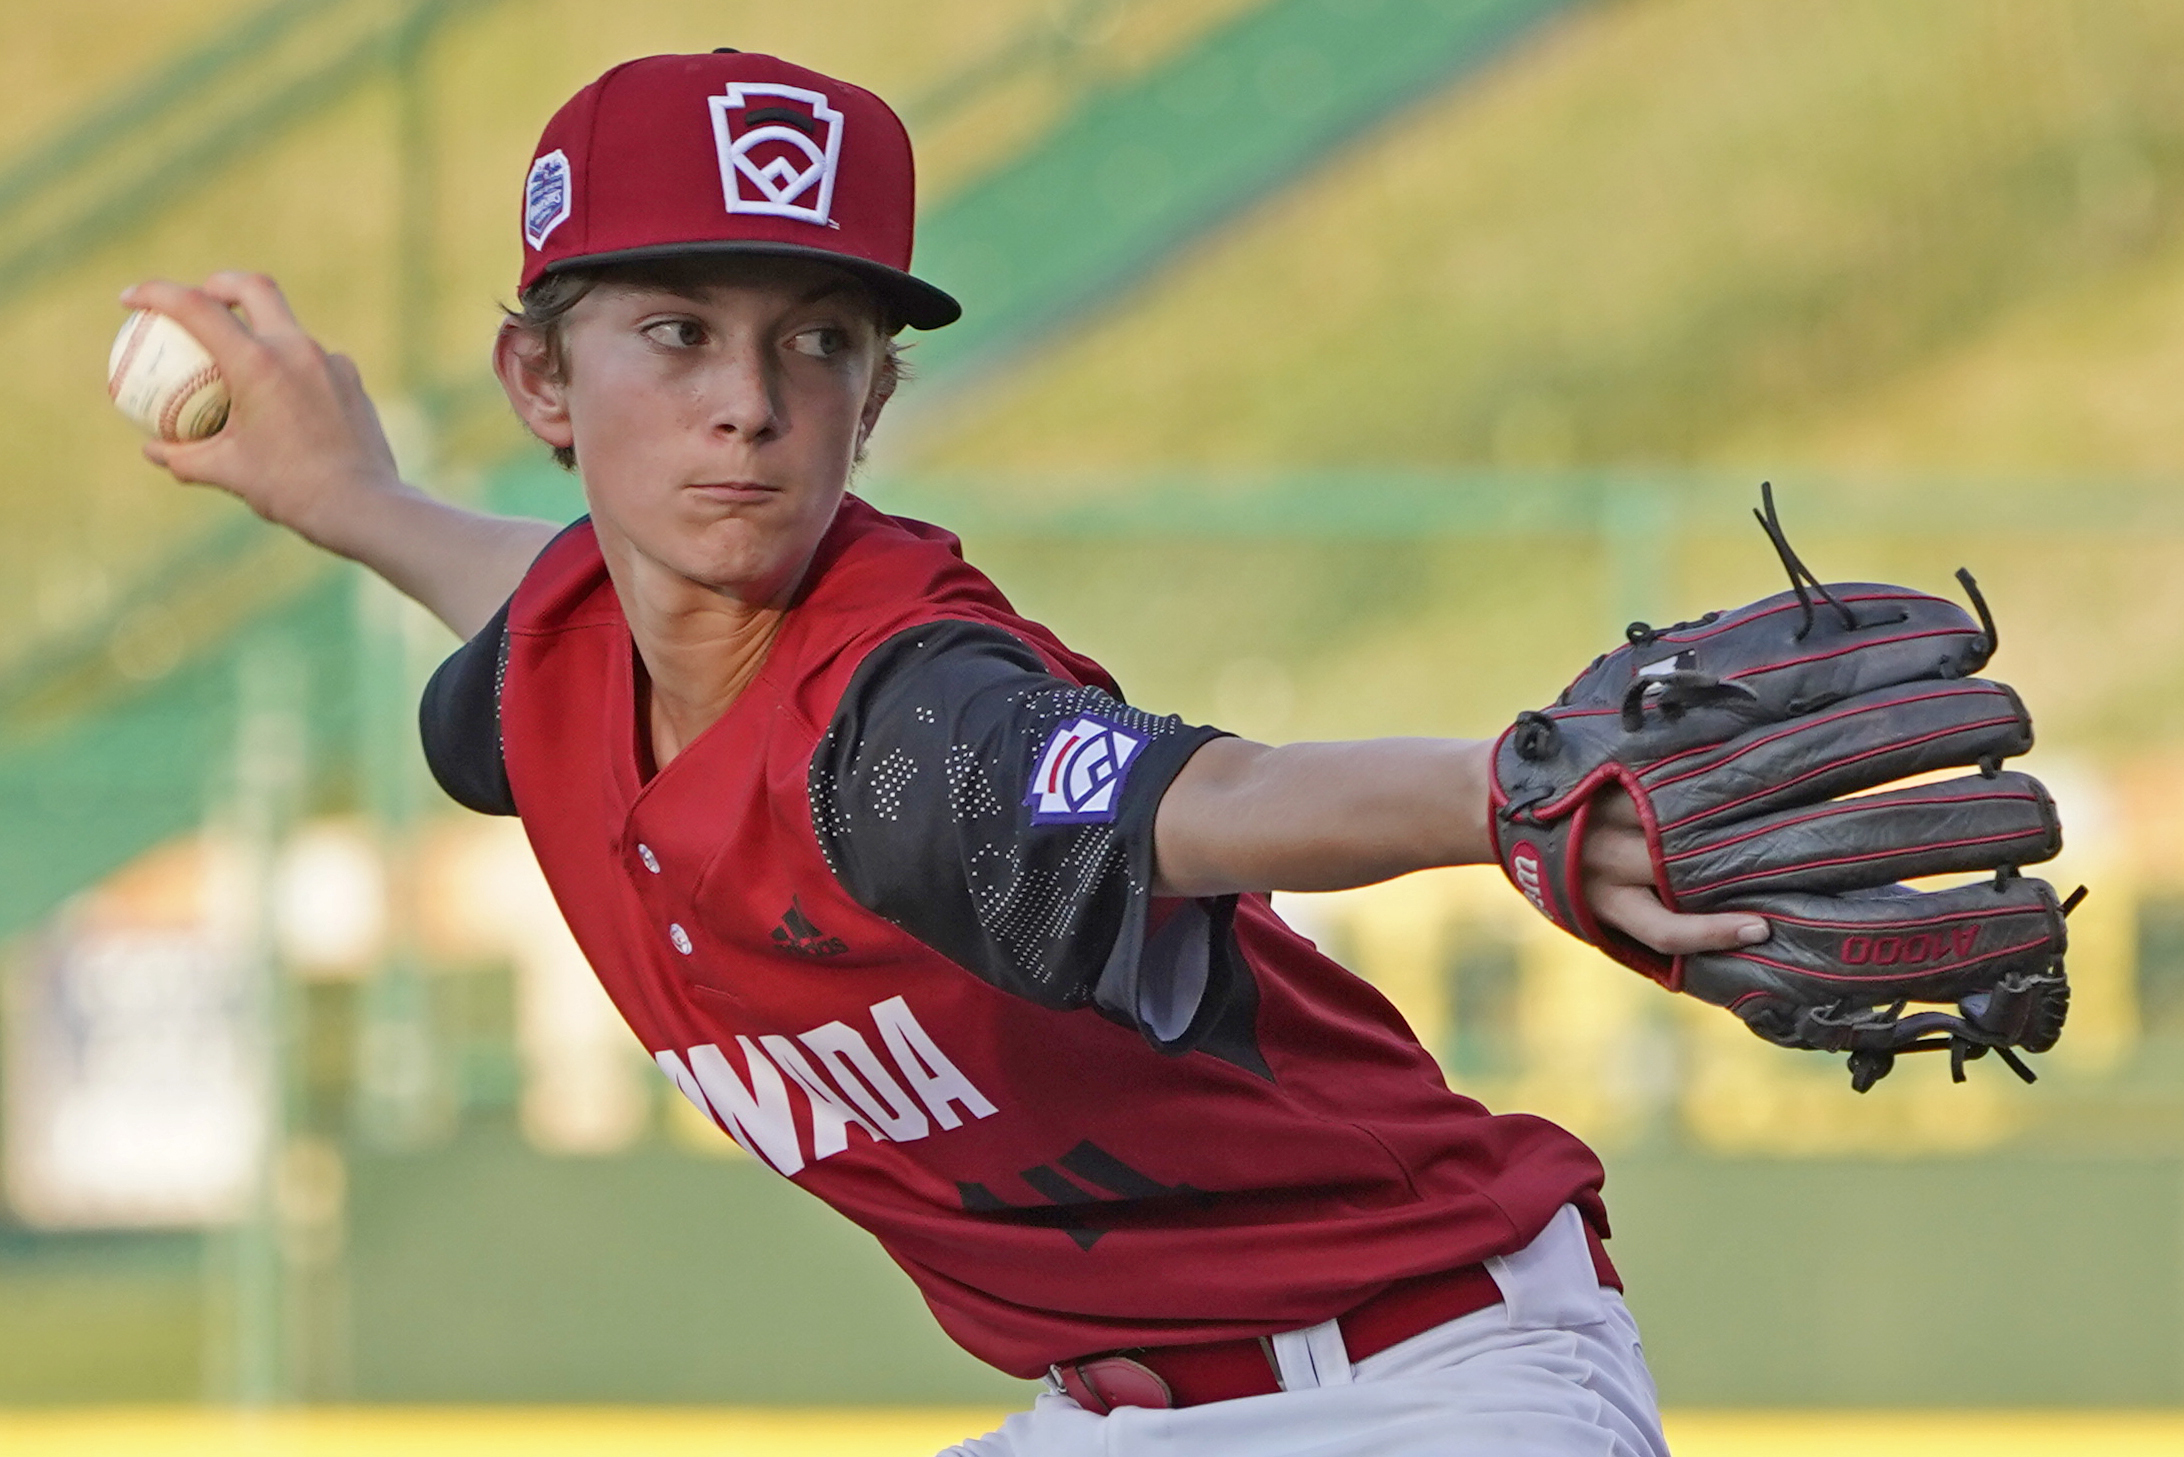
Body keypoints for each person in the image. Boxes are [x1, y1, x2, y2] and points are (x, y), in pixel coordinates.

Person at [124, 49, 1769, 1457]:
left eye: (817, 340)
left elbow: (1218, 798)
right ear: (542, 379)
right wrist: (354, 501)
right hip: (1117, 1413)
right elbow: (544, 589)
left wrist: (1500, 790)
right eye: (679, 332)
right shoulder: (558, 664)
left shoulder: (908, 721)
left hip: (1427, 1381)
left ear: (877, 396)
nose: (749, 403)